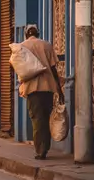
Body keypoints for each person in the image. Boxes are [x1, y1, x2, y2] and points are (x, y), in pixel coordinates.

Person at [18, 24, 65, 160]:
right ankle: (45, 147)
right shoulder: (47, 45)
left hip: (32, 89)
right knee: (45, 118)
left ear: (26, 34)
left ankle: (40, 150)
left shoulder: (22, 46)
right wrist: (59, 90)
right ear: (38, 34)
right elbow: (53, 69)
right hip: (48, 88)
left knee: (37, 120)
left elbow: (20, 70)